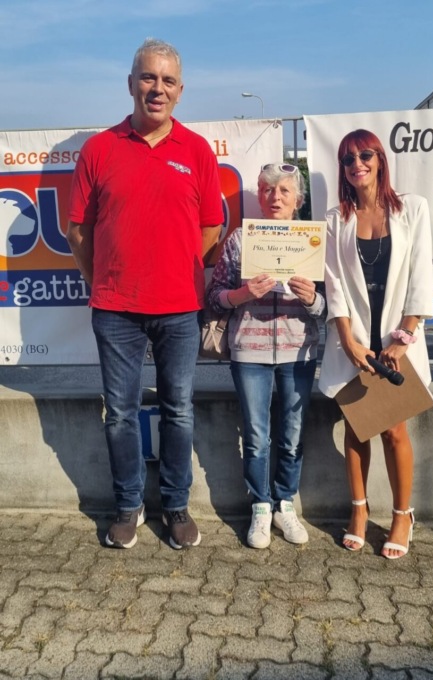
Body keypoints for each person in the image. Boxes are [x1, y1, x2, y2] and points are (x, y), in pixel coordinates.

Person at [66, 38, 224, 550]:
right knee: (120, 412)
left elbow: (211, 228)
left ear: (180, 90)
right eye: (149, 77)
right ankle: (128, 505)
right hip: (116, 310)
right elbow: (77, 230)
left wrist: (176, 268)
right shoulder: (99, 149)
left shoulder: (196, 151)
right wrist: (102, 279)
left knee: (179, 408)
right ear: (131, 83)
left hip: (180, 309)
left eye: (168, 80)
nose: (158, 88)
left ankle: (176, 505)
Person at [318, 129, 433, 559]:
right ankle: (360, 511)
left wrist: (404, 337)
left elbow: (421, 276)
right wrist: (347, 340)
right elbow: (334, 286)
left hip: (395, 344)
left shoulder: (412, 209)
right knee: (356, 429)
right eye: (348, 159)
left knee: (393, 430)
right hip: (355, 345)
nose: (357, 164)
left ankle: (403, 515)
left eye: (365, 155)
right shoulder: (336, 219)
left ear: (380, 160)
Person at [207, 163, 326, 549]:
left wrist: (312, 299)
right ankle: (260, 506)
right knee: (257, 436)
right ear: (259, 196)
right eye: (268, 190)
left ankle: (284, 504)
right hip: (250, 352)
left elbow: (329, 306)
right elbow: (214, 297)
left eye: (284, 191)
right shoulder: (241, 239)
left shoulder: (312, 241)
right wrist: (242, 295)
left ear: (298, 199)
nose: (276, 198)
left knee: (291, 434)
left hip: (298, 351)